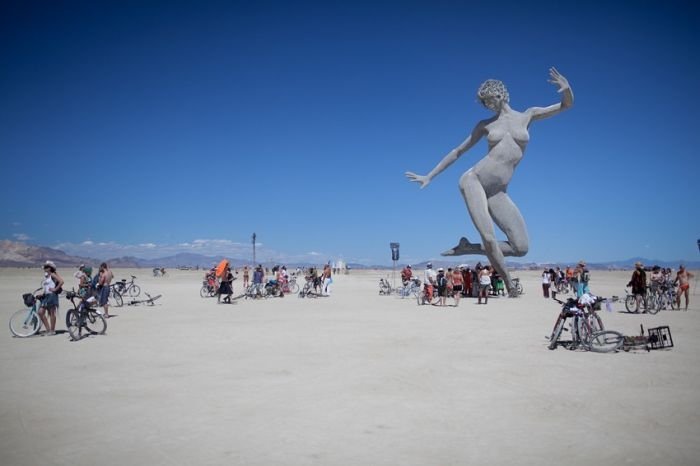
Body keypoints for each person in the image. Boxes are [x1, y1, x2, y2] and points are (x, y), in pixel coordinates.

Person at [406, 68, 573, 296]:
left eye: (489, 100)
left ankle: (468, 248)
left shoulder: (528, 115)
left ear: (500, 95)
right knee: (488, 236)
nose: (487, 106)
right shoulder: (485, 125)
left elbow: (565, 106)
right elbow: (458, 151)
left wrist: (566, 90)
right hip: (474, 181)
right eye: (484, 103)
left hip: (498, 192)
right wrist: (429, 175)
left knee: (521, 247)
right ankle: (510, 285)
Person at [38, 261, 64, 335]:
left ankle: (52, 330)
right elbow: (47, 287)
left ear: (50, 268)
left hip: (52, 296)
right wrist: (42, 294)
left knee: (52, 313)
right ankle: (48, 329)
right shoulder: (47, 276)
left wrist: (55, 289)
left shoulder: (53, 274)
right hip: (46, 296)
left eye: (46, 267)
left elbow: (61, 281)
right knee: (40, 312)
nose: (44, 269)